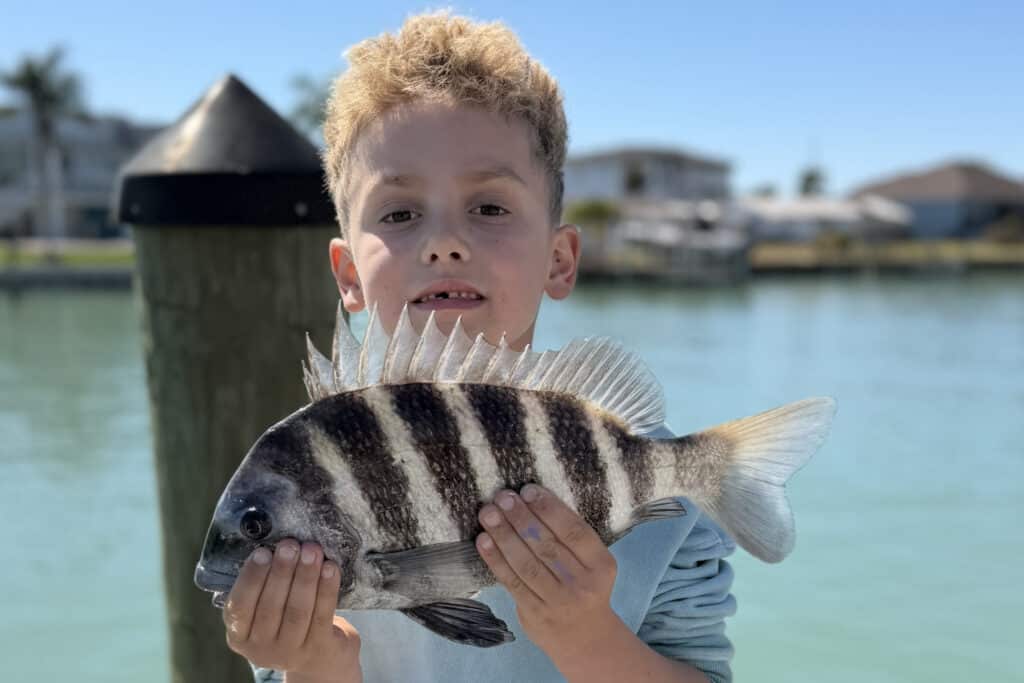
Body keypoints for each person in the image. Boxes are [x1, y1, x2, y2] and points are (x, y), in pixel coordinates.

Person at [221, 11, 736, 682]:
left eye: (489, 207)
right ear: (348, 275)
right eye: (400, 213)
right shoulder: (299, 484)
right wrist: (315, 663)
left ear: (559, 260)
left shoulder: (663, 499)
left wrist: (588, 638)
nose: (444, 241)